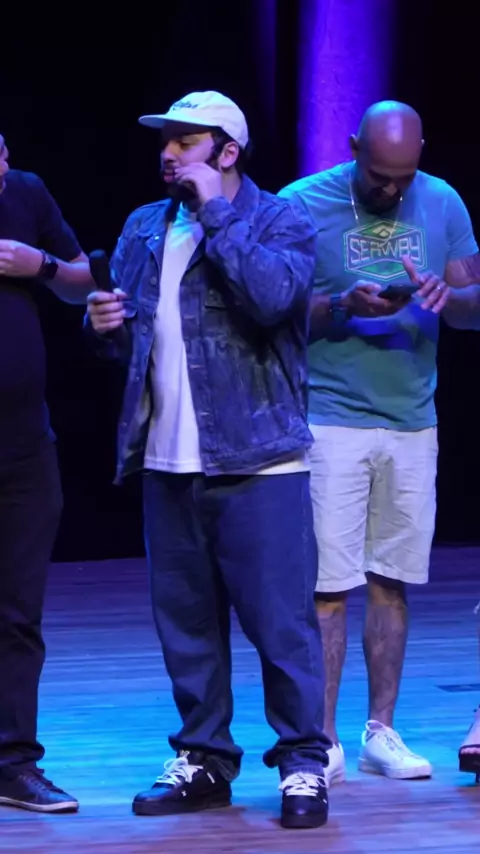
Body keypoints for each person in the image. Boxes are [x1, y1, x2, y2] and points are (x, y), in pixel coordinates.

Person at [86, 91, 330, 829]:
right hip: (168, 459)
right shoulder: (144, 226)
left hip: (259, 460)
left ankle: (303, 762)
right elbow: (137, 347)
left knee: (281, 626)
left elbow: (273, 299)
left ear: (227, 152)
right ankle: (203, 759)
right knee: (187, 625)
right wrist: (105, 328)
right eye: (165, 140)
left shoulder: (280, 219)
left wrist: (219, 214)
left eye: (185, 141)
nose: (168, 153)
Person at [279, 100, 480, 785]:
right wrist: (342, 305)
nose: (392, 190)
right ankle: (323, 739)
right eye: (379, 177)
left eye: (404, 178)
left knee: (391, 580)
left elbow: (475, 304)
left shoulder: (443, 201)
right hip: (329, 417)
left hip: (412, 419)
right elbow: (270, 312)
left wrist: (447, 297)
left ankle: (380, 732)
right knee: (328, 586)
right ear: (353, 147)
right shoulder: (301, 204)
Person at [0, 134, 93, 811]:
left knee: (17, 615)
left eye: (1, 153)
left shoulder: (25, 193)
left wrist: (42, 266)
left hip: (25, 445)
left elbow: (81, 281)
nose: (1, 169)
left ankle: (12, 762)